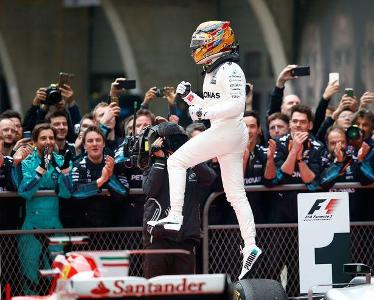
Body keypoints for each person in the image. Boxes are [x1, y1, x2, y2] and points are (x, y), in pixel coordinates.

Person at [149, 21, 262, 280]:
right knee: (235, 193)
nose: (196, 50)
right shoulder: (214, 69)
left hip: (228, 130)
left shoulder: (231, 69)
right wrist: (190, 97)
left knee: (176, 162)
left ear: (216, 42)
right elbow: (210, 106)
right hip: (228, 132)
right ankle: (251, 245)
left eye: (200, 45)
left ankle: (175, 215)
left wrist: (204, 111)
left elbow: (235, 106)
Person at [143, 122, 216, 278]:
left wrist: (189, 154)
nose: (176, 144)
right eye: (172, 140)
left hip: (185, 239)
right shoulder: (152, 163)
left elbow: (209, 178)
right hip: (158, 239)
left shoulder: (190, 162)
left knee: (184, 293)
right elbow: (150, 191)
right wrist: (161, 161)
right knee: (155, 292)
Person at [17, 123, 72, 294]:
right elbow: (25, 191)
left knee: (57, 276)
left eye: (50, 138)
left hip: (55, 226)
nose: (47, 141)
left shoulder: (61, 160)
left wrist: (63, 172)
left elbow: (66, 193)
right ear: (34, 142)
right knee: (30, 276)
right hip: (31, 228)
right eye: (43, 138)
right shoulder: (27, 163)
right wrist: (41, 168)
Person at [71, 126, 128, 227]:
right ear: (84, 145)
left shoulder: (112, 163)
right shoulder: (77, 165)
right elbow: (75, 193)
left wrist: (110, 177)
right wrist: (102, 180)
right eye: (90, 141)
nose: (94, 144)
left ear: (104, 144)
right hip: (84, 224)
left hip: (111, 225)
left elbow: (124, 193)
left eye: (98, 140)